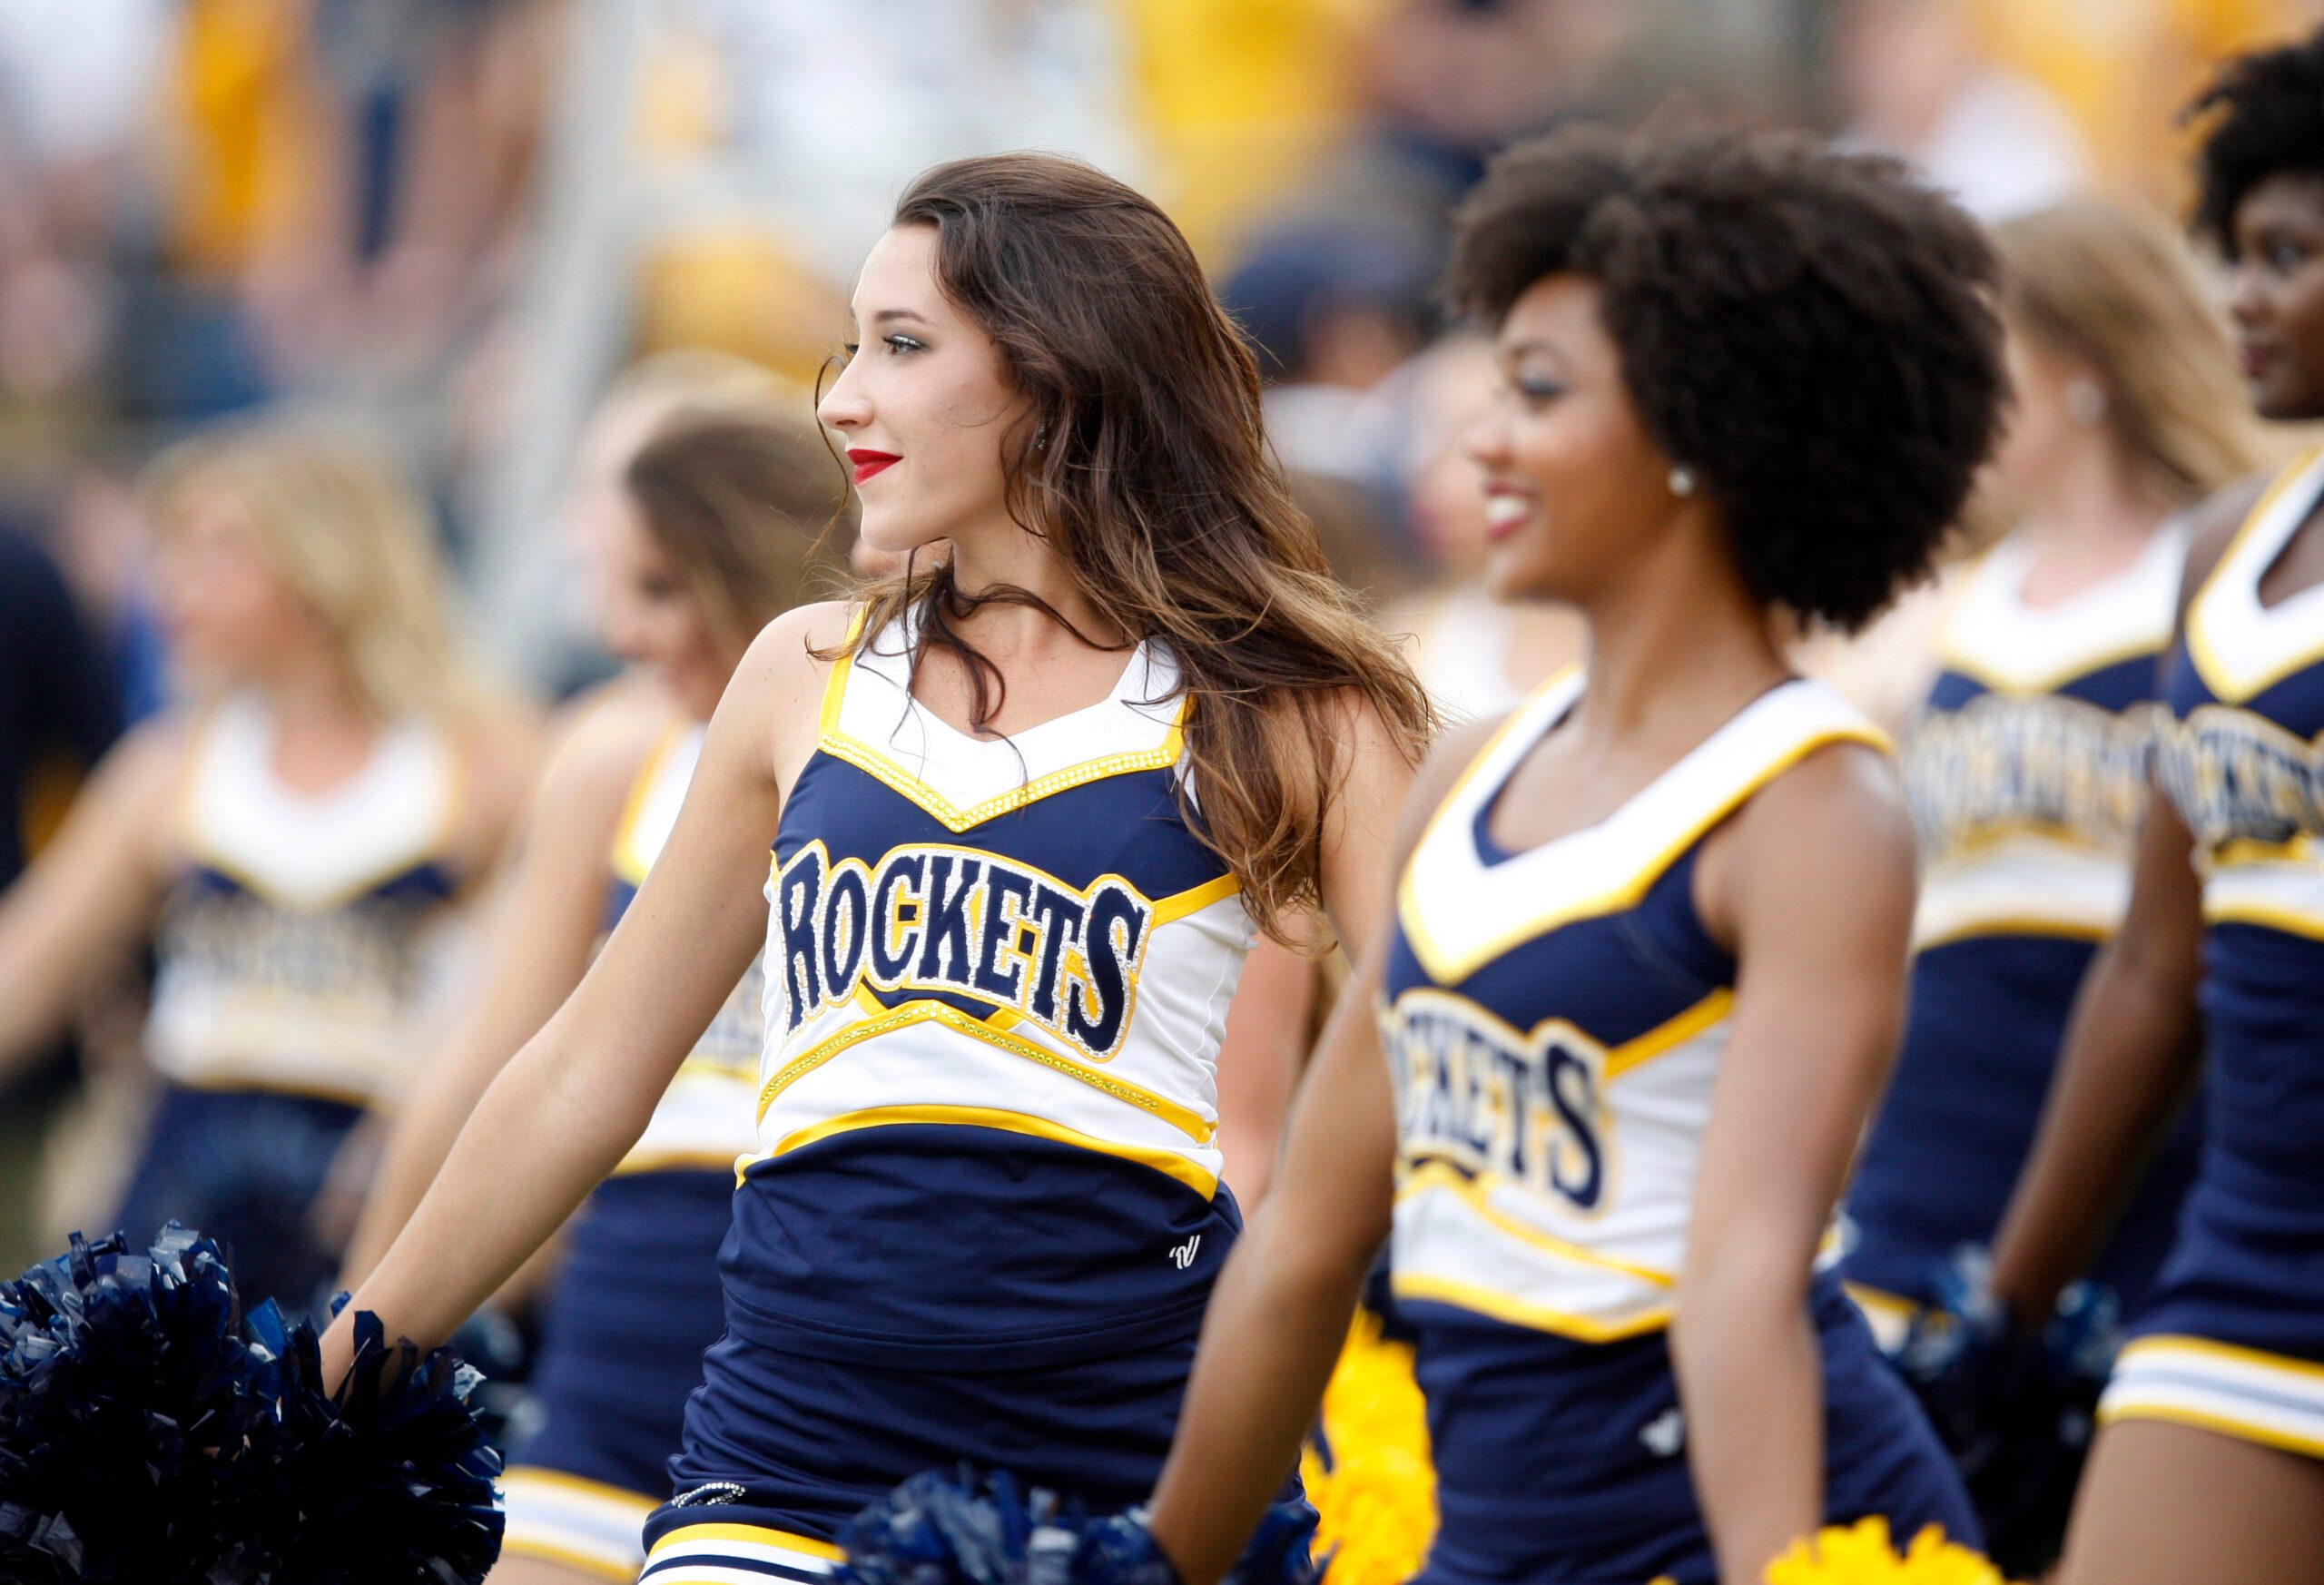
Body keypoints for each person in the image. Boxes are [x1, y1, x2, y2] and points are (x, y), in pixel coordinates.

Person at [330, 152, 1433, 1575]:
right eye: (850, 344)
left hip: (1118, 1464)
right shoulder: (802, 676)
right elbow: (583, 1072)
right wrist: (325, 1377)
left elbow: (1438, 1063)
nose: (840, 395)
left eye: (900, 347)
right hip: (785, 1443)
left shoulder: (1291, 708)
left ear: (1059, 374)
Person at [1138, 123, 2008, 1585]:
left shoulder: (1807, 809)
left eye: (1538, 392)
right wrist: (1151, 1566)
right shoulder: (1470, 771)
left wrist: (1787, 1569)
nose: (1481, 437)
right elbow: (1301, 1251)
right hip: (1489, 1536)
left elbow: (1742, 1282)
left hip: (1729, 1524)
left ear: (1702, 435)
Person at [334, 407, 842, 1585]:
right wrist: (354, 1326)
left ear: (762, 559)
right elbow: (499, 1060)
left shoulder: (907, 759)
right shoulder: (617, 761)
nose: (622, 629)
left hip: (821, 1289)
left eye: (664, 588)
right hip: (626, 1301)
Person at [1984, 31, 2324, 1585]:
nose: (2243, 295)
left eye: (2289, 255)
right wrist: (2013, 1300)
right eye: (2236, 252)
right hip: (2246, 1275)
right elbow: (2152, 968)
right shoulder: (2223, 557)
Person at [1843, 198, 2270, 1346]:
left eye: (1977, 354)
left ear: (2078, 366)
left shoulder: (2220, 576)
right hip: (1935, 1102)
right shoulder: (1946, 608)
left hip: (2138, 1100)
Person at [0, 415, 535, 1308]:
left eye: (218, 552)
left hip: (379, 1173)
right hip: (187, 1170)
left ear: (325, 561)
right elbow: (27, 968)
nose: (175, 589)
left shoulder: (489, 762)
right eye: (170, 553)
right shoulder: (169, 766)